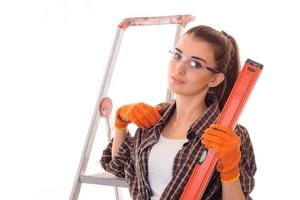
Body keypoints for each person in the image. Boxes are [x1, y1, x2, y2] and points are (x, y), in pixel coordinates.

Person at [100, 25, 256, 200]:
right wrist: (121, 123)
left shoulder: (229, 134)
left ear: (215, 79)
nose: (178, 69)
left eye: (194, 64)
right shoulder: (154, 118)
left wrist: (230, 172)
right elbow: (120, 165)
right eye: (177, 55)